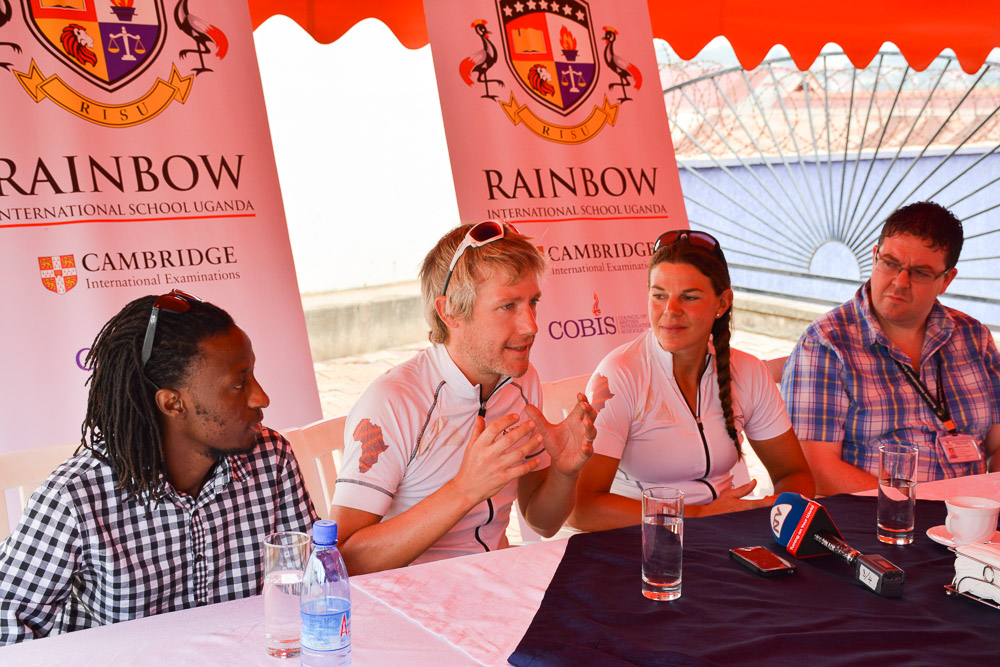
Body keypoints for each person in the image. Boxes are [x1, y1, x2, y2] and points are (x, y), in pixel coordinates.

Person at [0, 290, 316, 644]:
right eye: (239, 384)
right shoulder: (76, 498)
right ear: (173, 404)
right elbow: (6, 624)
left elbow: (311, 581)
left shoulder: (272, 458)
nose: (261, 397)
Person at [330, 220, 597, 574]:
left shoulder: (522, 381)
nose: (531, 325)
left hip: (497, 582)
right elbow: (342, 560)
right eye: (508, 306)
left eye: (533, 302)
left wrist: (564, 472)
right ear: (449, 312)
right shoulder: (393, 401)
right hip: (415, 596)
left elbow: (542, 522)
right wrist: (464, 489)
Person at [568, 230, 815, 531]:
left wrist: (776, 518)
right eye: (659, 295)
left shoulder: (747, 371)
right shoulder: (620, 373)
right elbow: (581, 508)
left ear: (722, 303)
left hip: (720, 535)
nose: (670, 310)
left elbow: (794, 474)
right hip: (634, 539)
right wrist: (698, 516)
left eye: (689, 297)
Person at [782, 201, 1000, 495]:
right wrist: (912, 508)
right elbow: (816, 469)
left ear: (946, 280)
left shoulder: (974, 337)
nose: (900, 282)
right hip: (875, 516)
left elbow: (998, 444)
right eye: (890, 263)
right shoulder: (827, 343)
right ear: (875, 256)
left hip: (970, 516)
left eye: (920, 272)